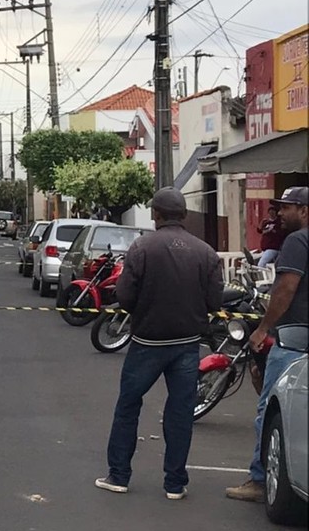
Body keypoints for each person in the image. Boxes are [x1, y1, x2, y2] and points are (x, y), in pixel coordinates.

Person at [95, 187, 223, 500]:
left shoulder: (141, 248)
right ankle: (175, 483)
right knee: (180, 412)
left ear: (157, 214)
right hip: (187, 344)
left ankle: (119, 475)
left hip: (147, 342)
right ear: (183, 214)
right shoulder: (205, 252)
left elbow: (124, 296)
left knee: (128, 405)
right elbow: (215, 299)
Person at [226, 186, 309, 503]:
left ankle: (260, 479)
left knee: (269, 409)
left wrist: (263, 328)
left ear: (303, 211)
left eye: (287, 208)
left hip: (293, 341)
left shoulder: (297, 241)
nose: (279, 213)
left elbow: (286, 288)